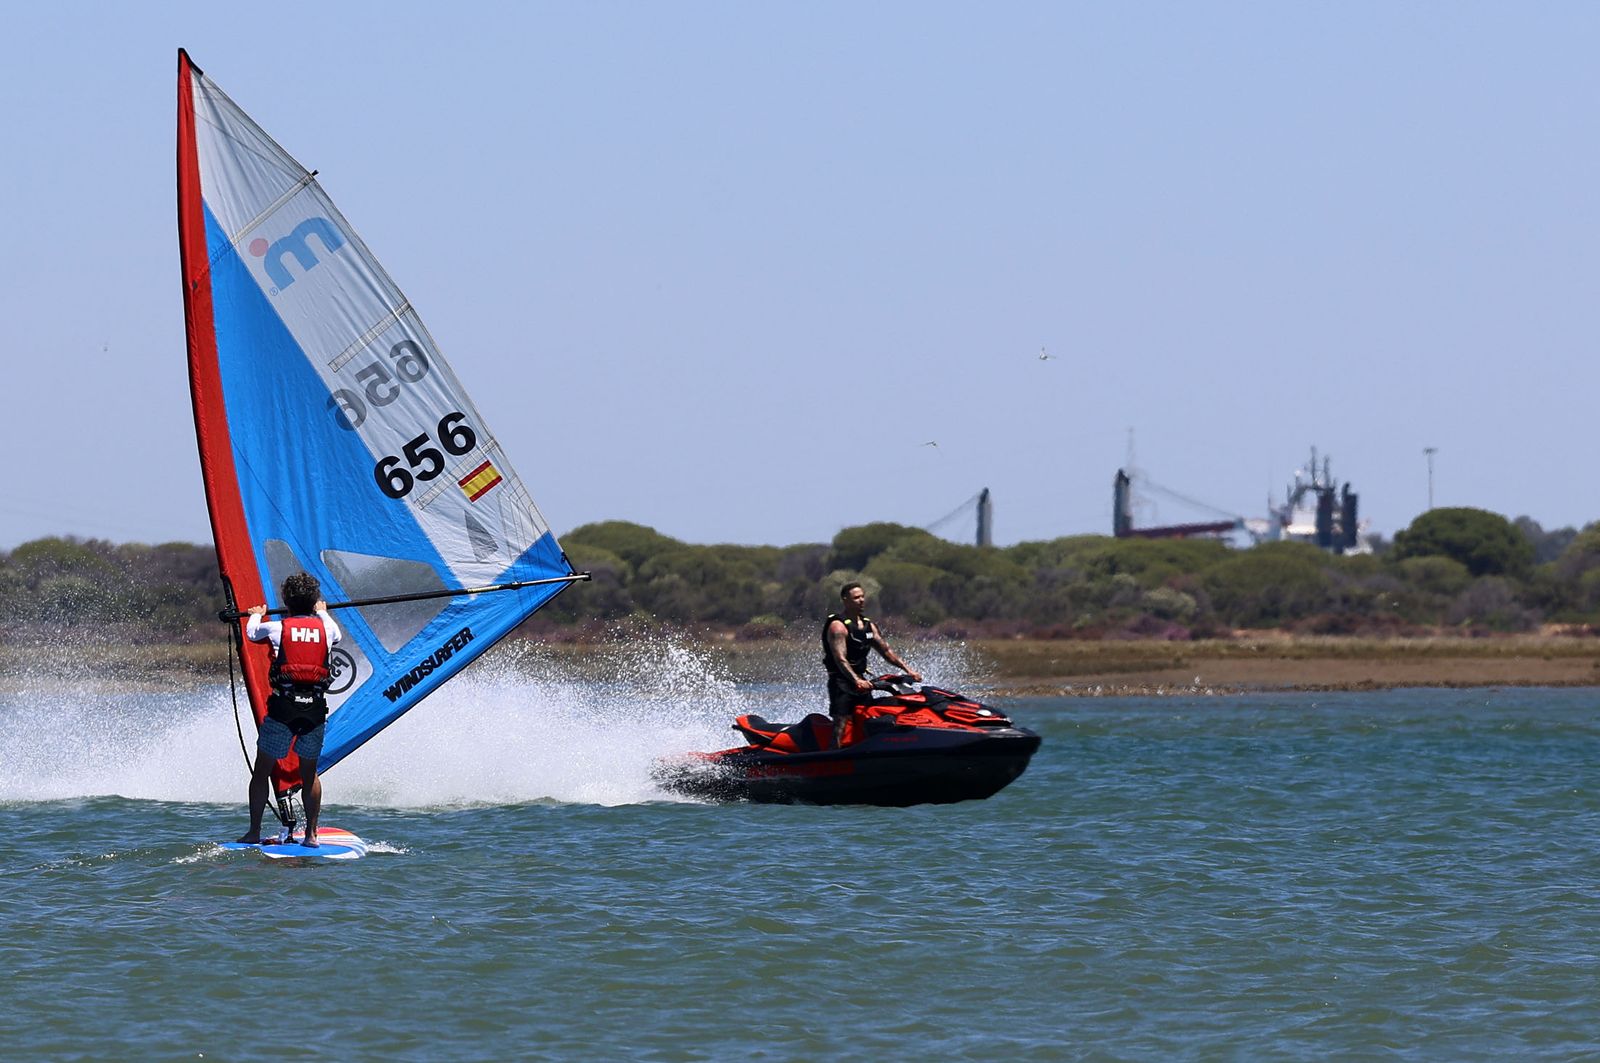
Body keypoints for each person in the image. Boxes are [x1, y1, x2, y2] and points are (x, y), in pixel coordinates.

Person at [236, 572, 342, 847]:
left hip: (283, 709)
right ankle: (312, 834)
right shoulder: (327, 629)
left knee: (262, 772)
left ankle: (254, 832)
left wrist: (256, 614)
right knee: (310, 774)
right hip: (314, 710)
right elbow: (337, 634)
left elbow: (251, 633)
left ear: (285, 601)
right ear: (315, 601)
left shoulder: (276, 628)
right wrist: (323, 613)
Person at [822, 582, 921, 746]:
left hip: (863, 682)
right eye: (856, 598)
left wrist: (909, 670)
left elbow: (887, 652)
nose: (861, 600)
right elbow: (840, 659)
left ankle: (868, 751)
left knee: (867, 717)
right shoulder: (838, 627)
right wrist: (856, 680)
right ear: (845, 600)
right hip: (841, 682)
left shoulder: (869, 626)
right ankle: (832, 758)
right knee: (841, 723)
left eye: (862, 596)